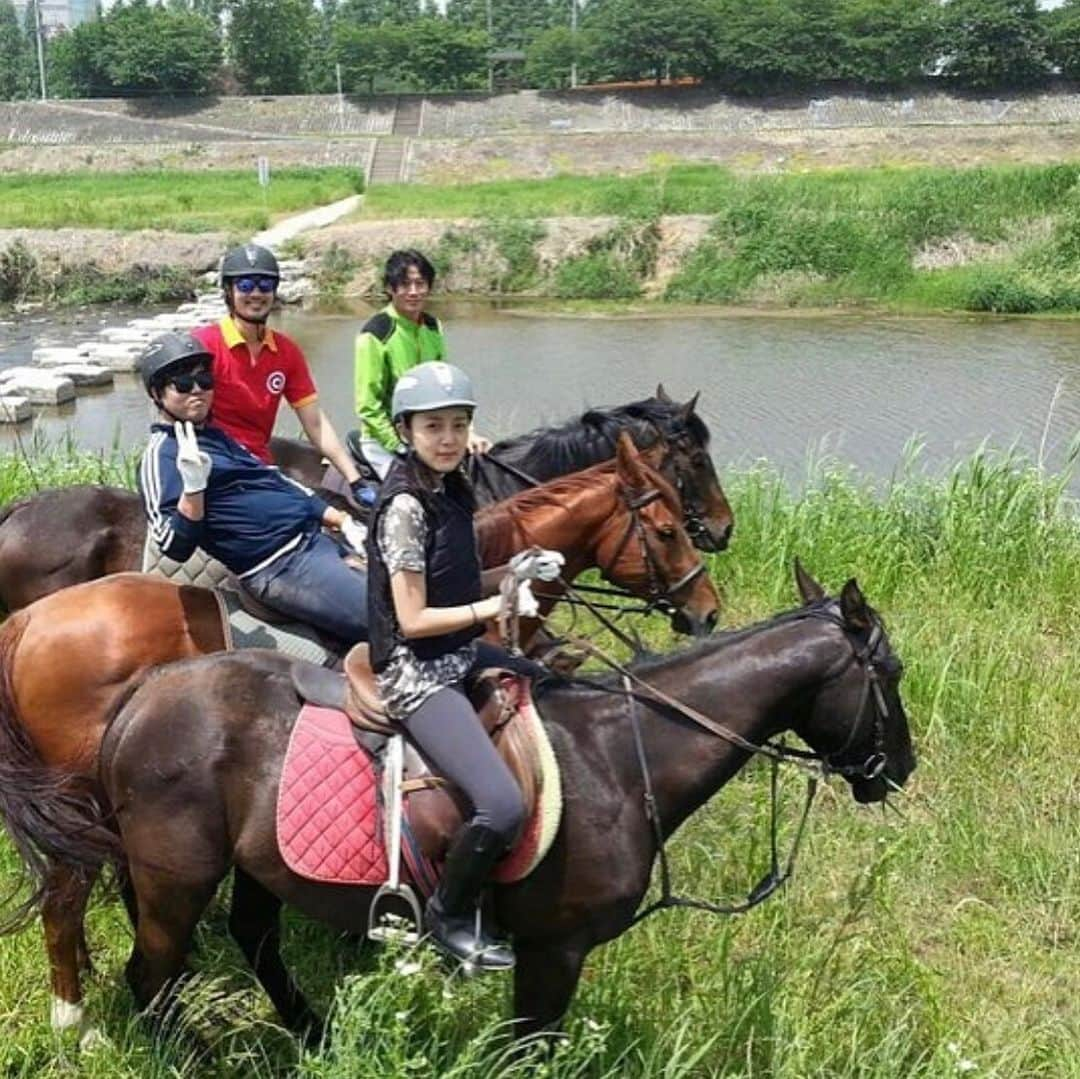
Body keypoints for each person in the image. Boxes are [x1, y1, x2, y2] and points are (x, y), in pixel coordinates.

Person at [365, 361, 562, 971]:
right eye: (433, 427)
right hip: (415, 671)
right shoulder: (404, 507)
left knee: (551, 683)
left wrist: (518, 569)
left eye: (458, 424)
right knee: (500, 805)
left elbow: (455, 580)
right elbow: (415, 618)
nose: (448, 438)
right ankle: (448, 916)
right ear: (406, 431)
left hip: (455, 652)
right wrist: (495, 603)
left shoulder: (450, 487)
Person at [137, 332, 369, 646]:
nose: (197, 391)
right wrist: (193, 490)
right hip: (282, 565)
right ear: (157, 392)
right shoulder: (162, 455)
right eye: (182, 384)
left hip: (316, 541)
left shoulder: (217, 436)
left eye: (204, 380)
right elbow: (173, 545)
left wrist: (342, 520)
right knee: (392, 618)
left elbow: (275, 480)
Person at [193, 242, 370, 506]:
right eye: (245, 285)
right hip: (211, 468)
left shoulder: (286, 353)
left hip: (259, 468)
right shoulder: (203, 345)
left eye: (265, 285)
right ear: (229, 291)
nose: (256, 293)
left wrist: (355, 480)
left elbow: (315, 424)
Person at [354, 249, 489, 480]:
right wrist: (402, 445)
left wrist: (469, 433)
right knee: (408, 495)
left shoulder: (432, 327)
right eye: (405, 285)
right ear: (390, 288)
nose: (414, 292)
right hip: (387, 442)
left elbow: (446, 387)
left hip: (430, 434)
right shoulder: (375, 334)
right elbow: (368, 406)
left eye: (420, 283)